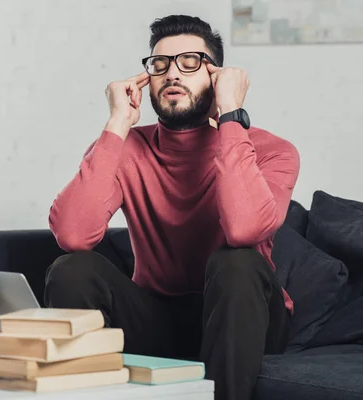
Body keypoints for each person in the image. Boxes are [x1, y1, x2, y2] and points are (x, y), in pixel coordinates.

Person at [45, 15, 300, 400]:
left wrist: (230, 112)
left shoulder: (272, 152)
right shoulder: (126, 147)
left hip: (247, 316)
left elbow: (244, 229)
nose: (172, 74)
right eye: (160, 64)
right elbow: (72, 234)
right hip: (159, 317)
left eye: (190, 62)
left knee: (237, 261)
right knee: (72, 269)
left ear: (217, 76)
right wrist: (117, 122)